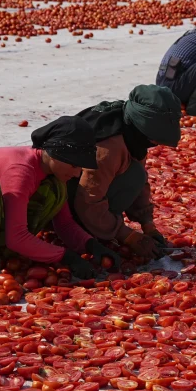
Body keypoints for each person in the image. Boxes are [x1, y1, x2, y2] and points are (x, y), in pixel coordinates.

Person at [0, 117, 119, 281]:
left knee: (56, 188)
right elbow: (16, 238)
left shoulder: (53, 174)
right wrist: (64, 256)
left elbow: (65, 225)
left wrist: (90, 244)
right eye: (74, 165)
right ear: (55, 154)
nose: (77, 173)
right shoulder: (21, 171)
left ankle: (0, 253)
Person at [70, 85, 182, 261]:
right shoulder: (109, 147)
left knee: (136, 174)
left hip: (86, 191)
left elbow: (139, 179)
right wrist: (126, 235)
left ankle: (100, 225)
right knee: (134, 175)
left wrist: (147, 224)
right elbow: (88, 199)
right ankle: (85, 228)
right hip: (66, 204)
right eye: (154, 138)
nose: (155, 143)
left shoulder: (131, 129)